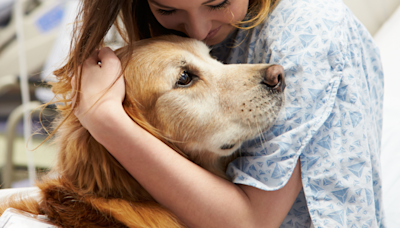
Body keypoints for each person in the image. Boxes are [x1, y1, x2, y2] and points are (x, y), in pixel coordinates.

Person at [62, 0, 385, 227]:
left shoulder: (308, 31)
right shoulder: (213, 34)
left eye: (217, 2)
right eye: (167, 10)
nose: (198, 30)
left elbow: (250, 224)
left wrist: (106, 120)